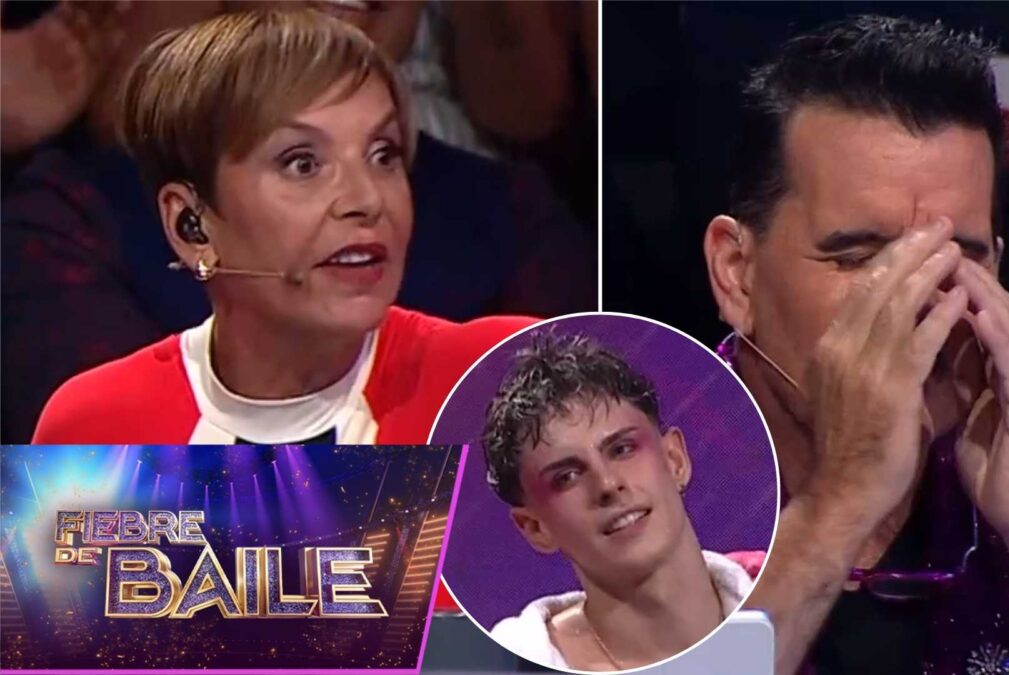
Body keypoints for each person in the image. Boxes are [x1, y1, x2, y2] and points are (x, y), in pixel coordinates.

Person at [700, 15, 1009, 675]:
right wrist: (838, 506)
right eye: (859, 256)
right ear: (737, 272)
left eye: (955, 259)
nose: (914, 301)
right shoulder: (619, 470)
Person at [31, 10, 534, 445]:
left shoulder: (507, 384)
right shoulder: (94, 429)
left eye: (384, 154)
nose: (367, 200)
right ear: (192, 227)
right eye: (302, 163)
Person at [482, 333, 759, 671]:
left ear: (674, 460)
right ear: (535, 528)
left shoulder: (791, 599)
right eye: (567, 476)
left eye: (622, 449)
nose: (608, 484)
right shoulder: (505, 662)